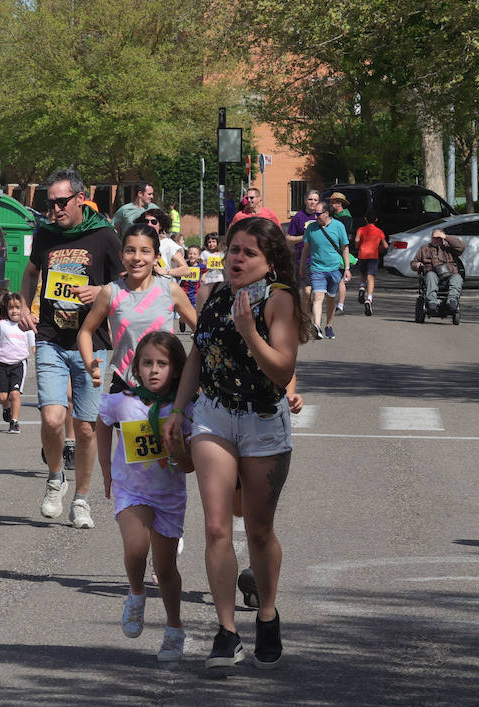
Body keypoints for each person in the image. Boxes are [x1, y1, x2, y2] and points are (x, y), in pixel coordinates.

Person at [163, 216, 308, 671]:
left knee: (260, 529)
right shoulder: (213, 294)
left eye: (248, 253)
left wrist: (249, 331)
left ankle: (266, 613)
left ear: (269, 262)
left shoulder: (279, 300)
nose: (237, 259)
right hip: (214, 416)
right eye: (233, 250)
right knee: (216, 527)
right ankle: (226, 632)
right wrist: (178, 409)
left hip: (264, 422)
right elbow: (199, 357)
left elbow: (282, 372)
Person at [15, 168, 123, 529]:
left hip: (92, 343)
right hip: (50, 337)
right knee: (51, 418)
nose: (55, 209)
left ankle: (81, 499)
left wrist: (101, 293)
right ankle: (54, 478)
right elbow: (30, 273)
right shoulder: (45, 233)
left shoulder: (103, 235)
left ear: (80, 199)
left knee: (87, 427)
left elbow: (125, 281)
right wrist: (25, 307)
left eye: (62, 202)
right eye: (50, 203)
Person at [98, 331, 193, 662]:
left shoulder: (185, 410)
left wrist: (176, 449)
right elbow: (102, 421)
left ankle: (174, 628)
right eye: (147, 363)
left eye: (163, 364)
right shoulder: (124, 402)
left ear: (177, 369)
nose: (154, 370)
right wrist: (106, 470)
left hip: (169, 496)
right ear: (136, 367)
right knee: (136, 547)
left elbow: (190, 465)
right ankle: (136, 594)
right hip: (131, 489)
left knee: (166, 569)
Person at [78, 223, 197, 393]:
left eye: (145, 251)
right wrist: (90, 364)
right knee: (102, 420)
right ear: (121, 255)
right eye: (130, 250)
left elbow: (202, 334)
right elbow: (85, 332)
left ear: (157, 257)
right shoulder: (111, 292)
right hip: (124, 386)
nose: (137, 257)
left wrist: (191, 368)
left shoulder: (170, 291)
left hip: (166, 389)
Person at [0, 292, 35, 434]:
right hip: (3, 365)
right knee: (3, 397)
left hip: (19, 364)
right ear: (6, 309)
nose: (14, 311)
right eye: (11, 308)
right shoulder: (2, 325)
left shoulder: (26, 326)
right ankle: (6, 409)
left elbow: (34, 347)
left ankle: (14, 422)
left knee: (14, 394)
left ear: (23, 309)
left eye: (18, 307)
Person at [299, 203, 350, 340]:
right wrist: (302, 266)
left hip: (334, 269)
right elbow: (305, 249)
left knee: (331, 298)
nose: (315, 217)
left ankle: (329, 325)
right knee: (317, 297)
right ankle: (317, 326)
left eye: (318, 214)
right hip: (317, 269)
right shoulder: (311, 228)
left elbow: (345, 248)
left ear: (326, 213)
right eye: (314, 214)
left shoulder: (339, 226)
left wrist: (346, 268)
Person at [410, 229, 466, 315]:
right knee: (431, 275)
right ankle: (432, 302)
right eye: (434, 238)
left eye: (438, 238)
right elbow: (413, 263)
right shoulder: (424, 248)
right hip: (432, 275)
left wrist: (445, 236)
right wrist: (416, 264)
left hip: (449, 275)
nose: (436, 240)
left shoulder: (449, 248)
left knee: (457, 277)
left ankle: (452, 301)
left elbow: (461, 247)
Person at [326, 192, 356, 313]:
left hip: (339, 252)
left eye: (332, 202)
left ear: (339, 203)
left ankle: (340, 305)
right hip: (332, 251)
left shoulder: (345, 218)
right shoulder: (334, 216)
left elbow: (343, 237)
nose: (330, 204)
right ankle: (334, 303)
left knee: (340, 280)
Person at [352, 210, 386, 316]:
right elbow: (385, 246)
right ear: (376, 220)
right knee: (371, 277)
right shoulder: (379, 231)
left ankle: (362, 287)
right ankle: (369, 299)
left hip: (362, 254)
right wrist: (379, 249)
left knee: (363, 274)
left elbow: (357, 240)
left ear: (365, 219)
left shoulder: (361, 229)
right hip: (373, 255)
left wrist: (358, 246)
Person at [141, 208, 189, 279]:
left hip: (163, 286)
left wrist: (166, 271)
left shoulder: (168, 244)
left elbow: (186, 270)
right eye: (146, 221)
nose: (149, 224)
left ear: (160, 225)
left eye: (154, 222)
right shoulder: (138, 242)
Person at [196, 233, 224, 313]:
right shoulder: (205, 253)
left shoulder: (221, 254)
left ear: (217, 242)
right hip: (207, 278)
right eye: (209, 242)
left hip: (219, 277)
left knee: (218, 295)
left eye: (213, 241)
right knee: (207, 296)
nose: (211, 244)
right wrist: (202, 263)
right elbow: (199, 264)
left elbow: (225, 264)